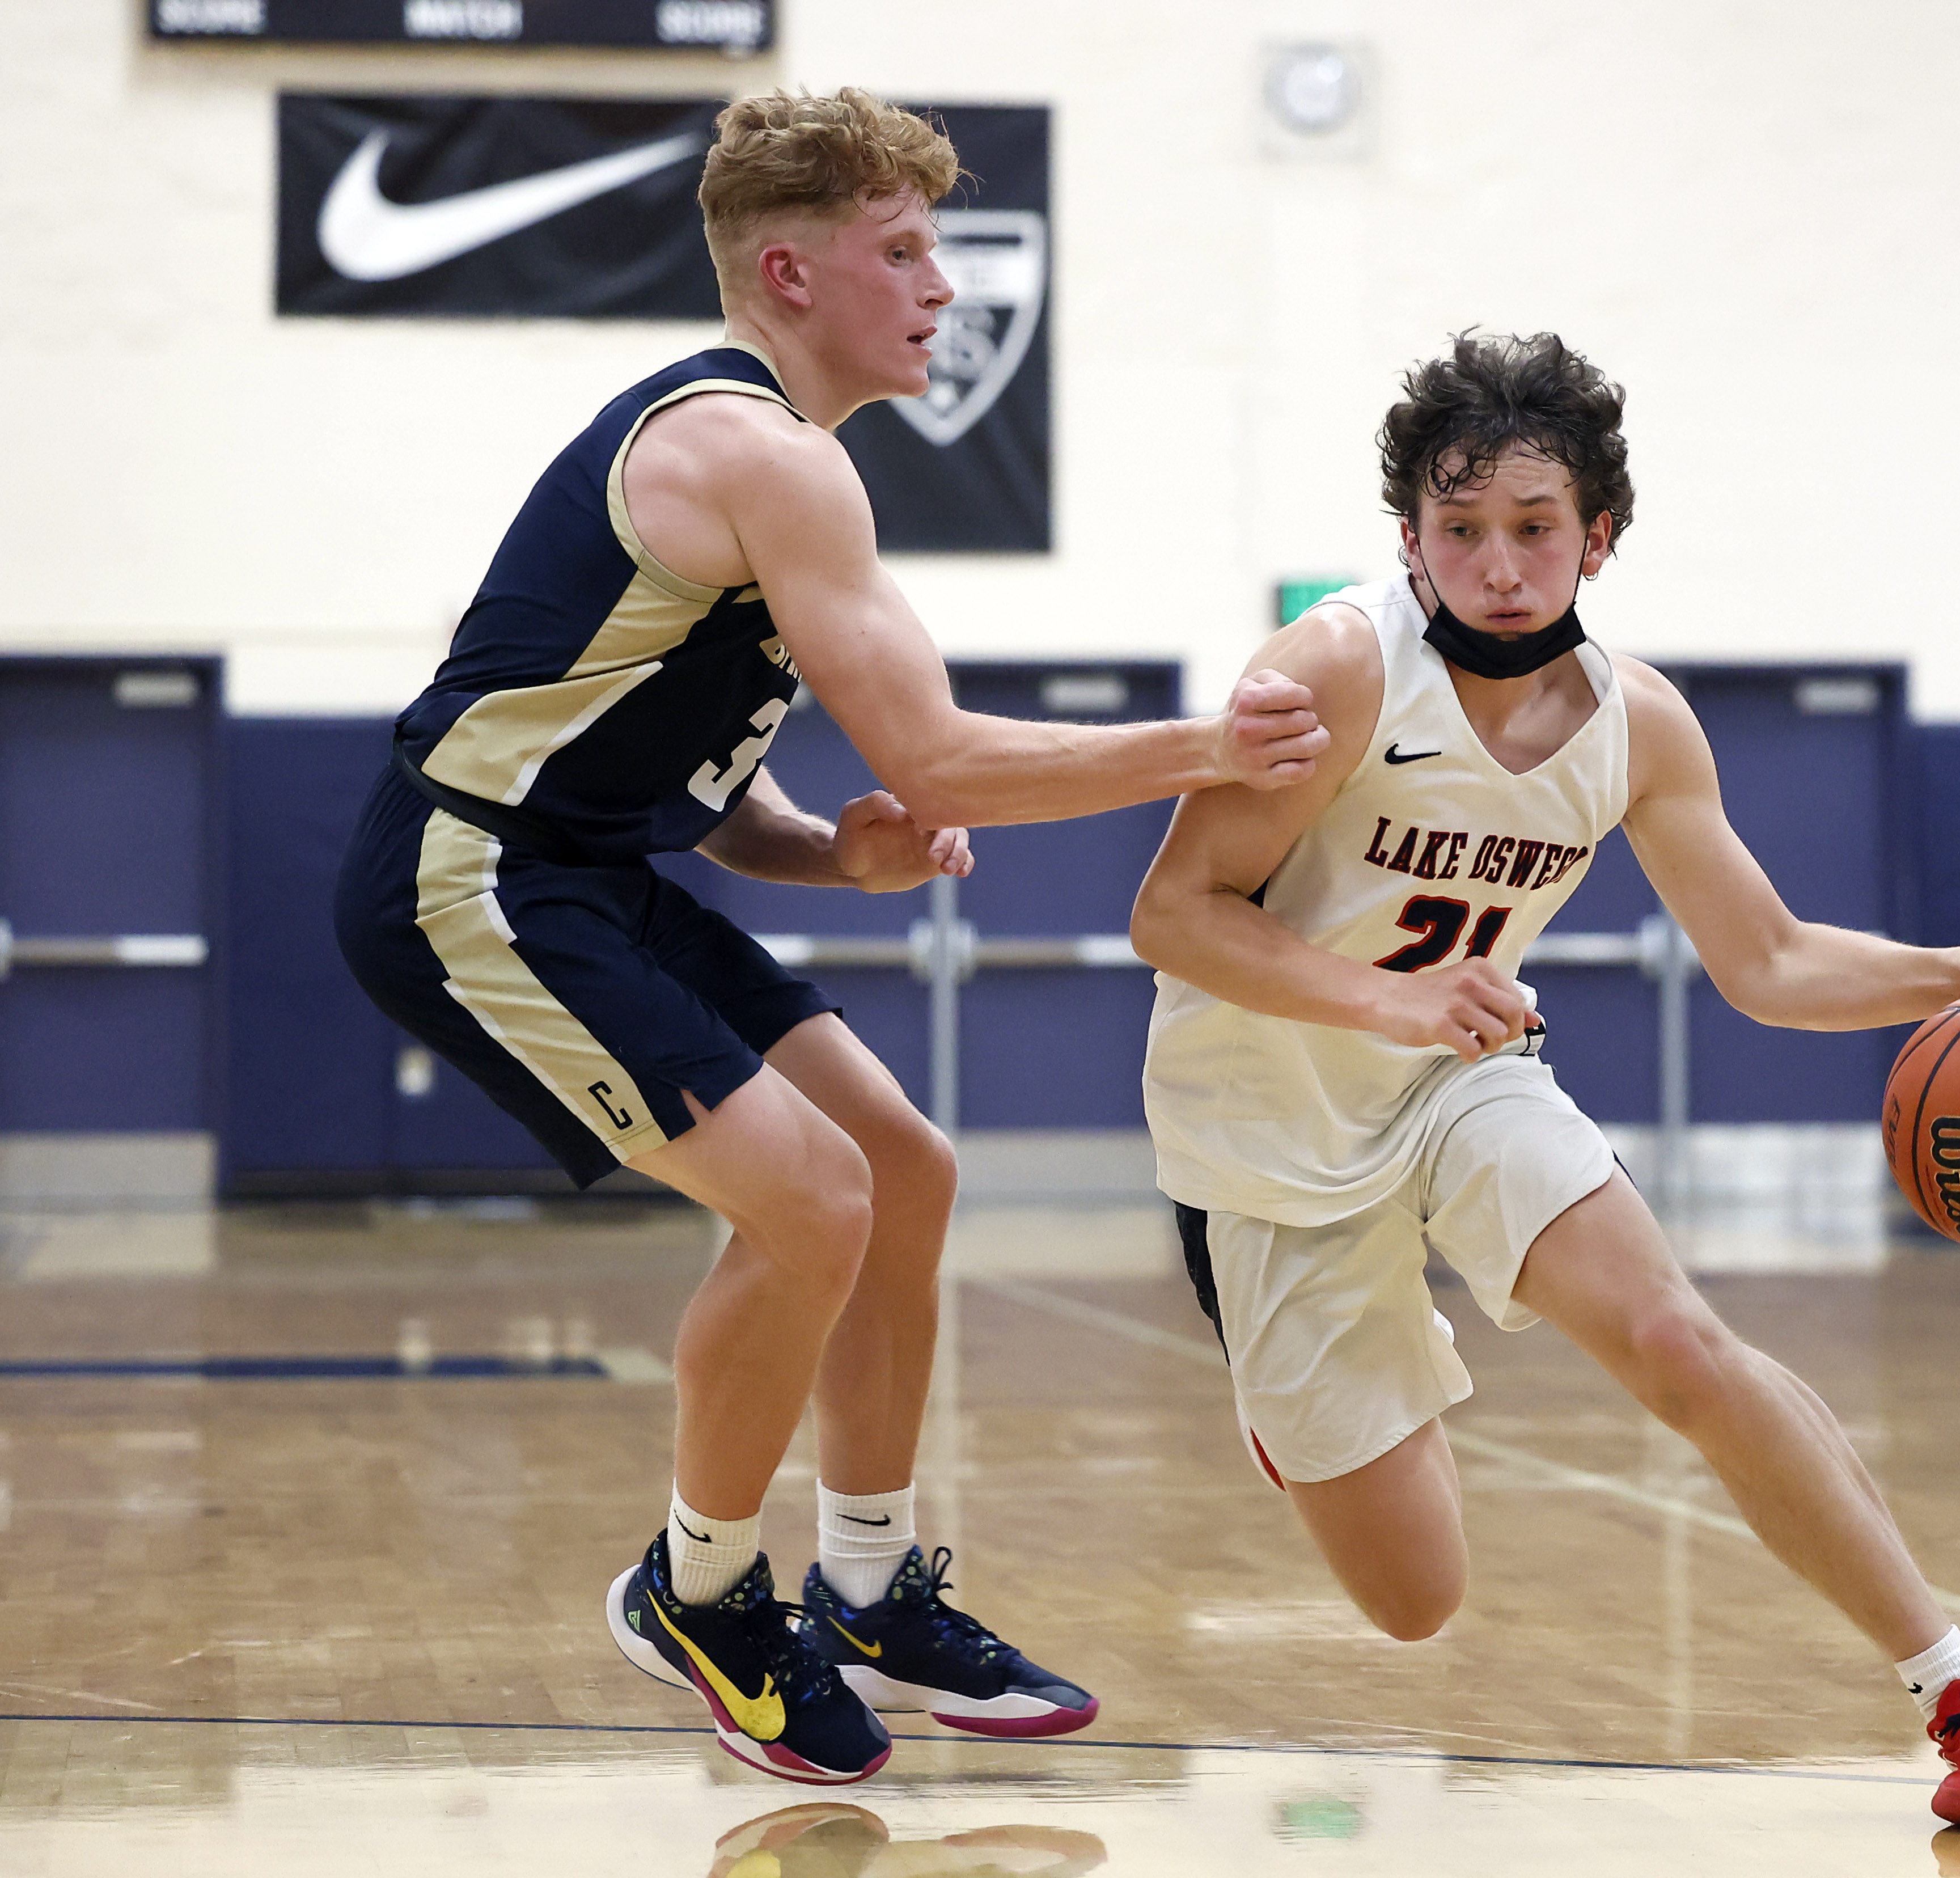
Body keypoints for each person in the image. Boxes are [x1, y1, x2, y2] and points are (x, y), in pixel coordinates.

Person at [335, 89, 1331, 1786]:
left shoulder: (790, 468)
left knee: (904, 1168)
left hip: (589, 863)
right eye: (906, 249)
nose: (942, 285)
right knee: (813, 1200)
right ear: (790, 274)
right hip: (470, 873)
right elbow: (938, 755)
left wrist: (829, 855)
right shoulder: (753, 454)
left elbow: (698, 781)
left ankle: (866, 1584)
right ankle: (703, 1589)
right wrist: (1209, 745)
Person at [1129, 332, 1960, 1836]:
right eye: (1461, 532)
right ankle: (1296, 1413)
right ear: (1410, 538)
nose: (1501, 565)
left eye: (1536, 528)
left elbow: (1772, 961)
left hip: (1465, 1082)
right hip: (1266, 1139)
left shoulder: (1637, 726)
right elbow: (1173, 916)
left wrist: (1958, 973)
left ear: (1599, 534)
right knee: (1415, 1603)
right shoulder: (1336, 668)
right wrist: (1387, 1000)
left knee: (1676, 1337)